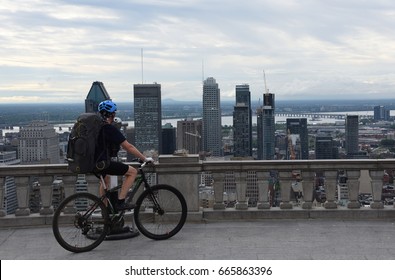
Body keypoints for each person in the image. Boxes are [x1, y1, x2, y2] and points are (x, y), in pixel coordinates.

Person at [96, 100, 153, 211]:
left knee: (105, 180)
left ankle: (105, 212)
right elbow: (128, 147)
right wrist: (144, 158)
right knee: (132, 172)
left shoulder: (96, 127)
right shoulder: (109, 128)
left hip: (94, 162)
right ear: (112, 114)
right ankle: (120, 202)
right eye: (114, 113)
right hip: (103, 163)